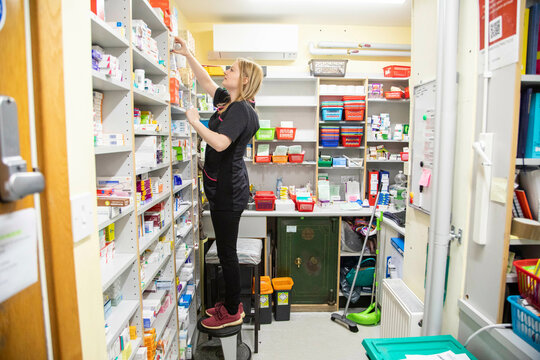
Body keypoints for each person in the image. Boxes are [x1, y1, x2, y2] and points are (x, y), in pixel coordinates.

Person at [172, 37, 263, 329]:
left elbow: (221, 144)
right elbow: (206, 82)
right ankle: (227, 303)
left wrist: (195, 121)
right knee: (225, 250)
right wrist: (188, 54)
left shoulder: (241, 110)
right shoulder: (230, 102)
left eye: (232, 70)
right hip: (223, 187)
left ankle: (234, 310)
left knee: (227, 252)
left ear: (244, 79)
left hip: (229, 190)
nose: (226, 71)